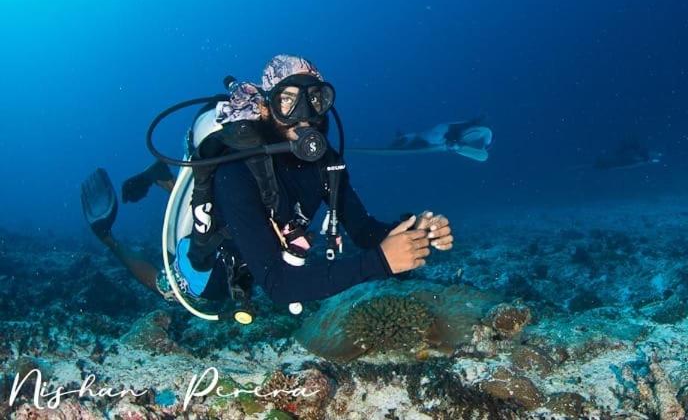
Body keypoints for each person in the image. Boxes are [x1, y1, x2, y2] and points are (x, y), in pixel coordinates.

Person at [81, 55, 454, 315]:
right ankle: (109, 237)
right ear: (267, 109)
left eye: (315, 99)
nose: (304, 116)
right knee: (175, 289)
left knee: (239, 211)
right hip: (222, 251)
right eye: (289, 102)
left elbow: (364, 229)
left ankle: (165, 177)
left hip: (261, 228)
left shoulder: (328, 163)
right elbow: (279, 285)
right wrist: (379, 263)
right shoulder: (236, 169)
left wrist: (410, 230)